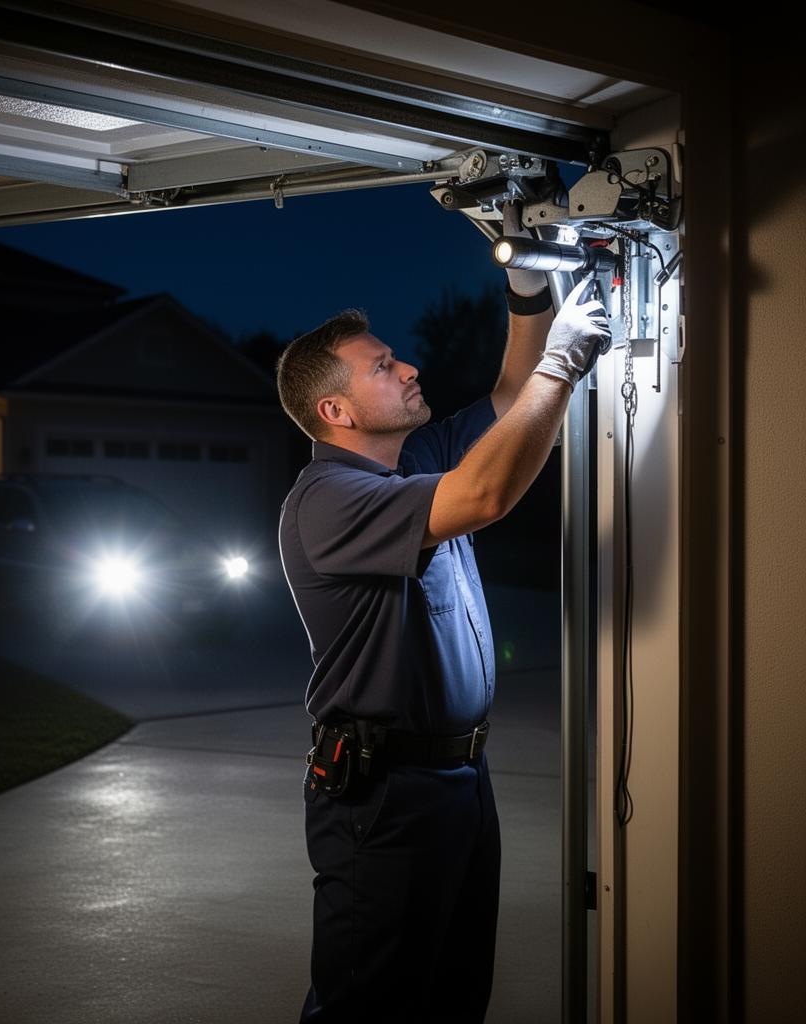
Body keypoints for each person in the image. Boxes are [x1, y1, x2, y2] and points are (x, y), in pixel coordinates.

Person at [275, 202, 610, 1023]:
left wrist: (527, 287)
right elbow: (487, 492)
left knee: (453, 997)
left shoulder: (406, 463)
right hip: (384, 791)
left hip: (458, 777)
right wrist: (564, 366)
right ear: (336, 412)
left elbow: (506, 396)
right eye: (383, 366)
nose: (410, 367)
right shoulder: (329, 498)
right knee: (370, 1006)